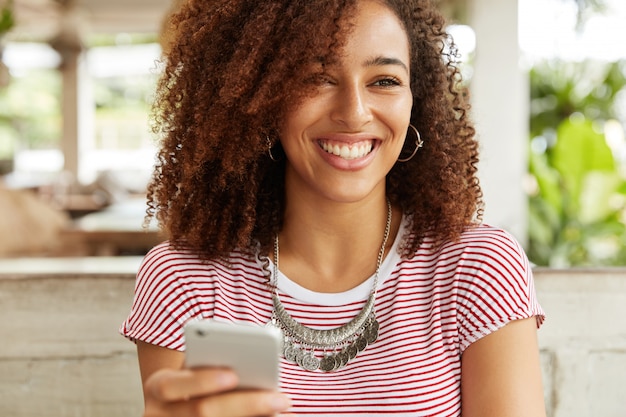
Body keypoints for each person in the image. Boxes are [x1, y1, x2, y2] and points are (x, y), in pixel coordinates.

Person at [121, 0, 547, 415]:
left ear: (417, 100)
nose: (354, 113)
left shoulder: (479, 267)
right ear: (262, 96)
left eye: (384, 81)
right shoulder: (186, 278)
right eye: (317, 77)